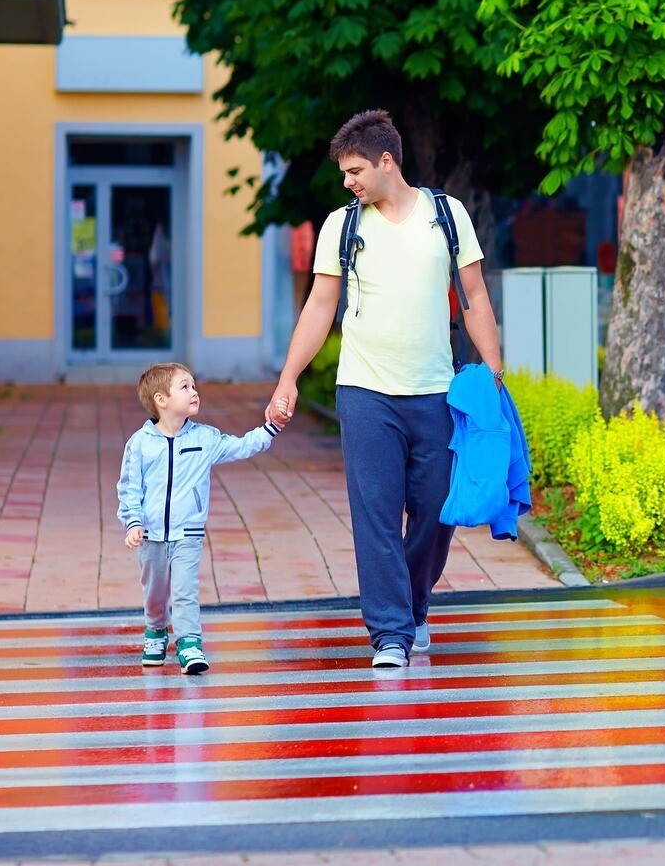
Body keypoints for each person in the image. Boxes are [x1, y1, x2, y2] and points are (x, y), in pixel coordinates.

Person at [265, 110, 505, 670]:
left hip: (436, 393)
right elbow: (320, 305)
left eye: (354, 171)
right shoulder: (341, 226)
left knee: (436, 510)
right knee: (374, 514)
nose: (348, 181)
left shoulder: (447, 216)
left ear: (386, 161)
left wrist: (493, 371)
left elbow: (474, 295)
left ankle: (416, 605)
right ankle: (390, 634)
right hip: (365, 391)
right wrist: (288, 379)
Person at [118, 363, 284, 674]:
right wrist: (133, 523)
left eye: (194, 386)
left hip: (188, 534)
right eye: (185, 387)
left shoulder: (204, 438)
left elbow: (241, 446)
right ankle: (155, 632)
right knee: (155, 592)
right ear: (161, 400)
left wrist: (270, 428)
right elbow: (129, 488)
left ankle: (189, 642)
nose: (194, 392)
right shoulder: (139, 444)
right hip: (150, 535)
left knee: (184, 589)